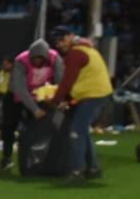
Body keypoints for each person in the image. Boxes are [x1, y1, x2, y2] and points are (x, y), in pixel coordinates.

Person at [46, 27, 113, 183]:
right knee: (81, 130)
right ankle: (93, 168)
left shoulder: (75, 54)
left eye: (62, 40)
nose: (59, 44)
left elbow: (67, 82)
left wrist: (55, 100)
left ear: (70, 36)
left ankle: (77, 171)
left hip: (92, 95)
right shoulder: (85, 48)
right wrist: (67, 100)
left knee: (76, 132)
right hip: (97, 94)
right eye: (57, 42)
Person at [0, 39, 62, 173]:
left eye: (40, 59)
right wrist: (34, 109)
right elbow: (20, 88)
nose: (38, 62)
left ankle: (40, 159)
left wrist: (57, 102)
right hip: (16, 96)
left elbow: (60, 82)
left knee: (40, 128)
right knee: (9, 126)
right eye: (35, 58)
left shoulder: (55, 59)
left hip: (40, 95)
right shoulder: (21, 60)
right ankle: (6, 157)